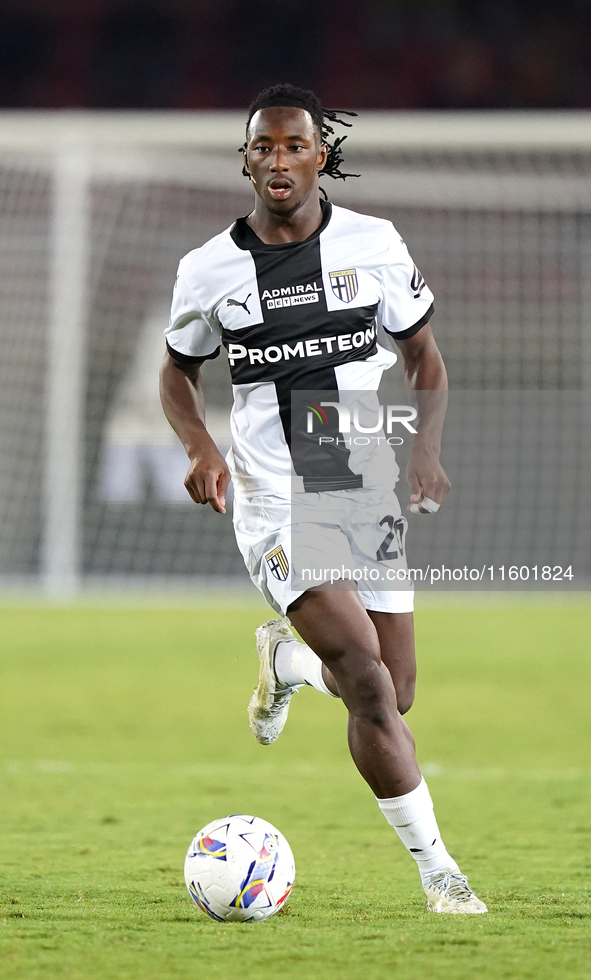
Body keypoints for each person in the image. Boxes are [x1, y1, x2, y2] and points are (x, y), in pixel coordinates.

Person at [160, 83, 487, 914]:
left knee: (395, 688)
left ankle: (288, 660)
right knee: (370, 687)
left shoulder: (374, 244)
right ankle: (438, 874)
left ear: (320, 154)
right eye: (262, 146)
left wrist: (428, 450)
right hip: (271, 499)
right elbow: (177, 370)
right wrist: (201, 446)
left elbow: (425, 356)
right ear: (245, 159)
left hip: (359, 487)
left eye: (293, 144)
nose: (278, 159)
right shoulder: (208, 270)